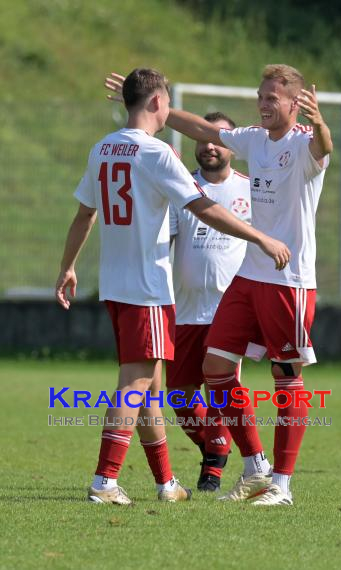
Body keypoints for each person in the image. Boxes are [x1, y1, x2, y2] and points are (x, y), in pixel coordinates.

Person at [56, 68, 290, 506]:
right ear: (157, 102)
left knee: (150, 386)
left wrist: (68, 266)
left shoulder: (102, 148)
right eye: (166, 103)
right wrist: (259, 236)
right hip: (147, 288)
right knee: (135, 384)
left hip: (116, 286)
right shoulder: (157, 153)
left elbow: (84, 214)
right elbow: (201, 205)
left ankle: (167, 484)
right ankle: (105, 480)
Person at [110, 63, 333, 506]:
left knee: (286, 379)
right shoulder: (252, 138)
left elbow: (325, 147)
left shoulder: (305, 144)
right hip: (249, 276)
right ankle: (255, 467)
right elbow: (201, 128)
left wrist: (321, 122)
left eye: (272, 97)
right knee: (215, 368)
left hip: (288, 279)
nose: (263, 104)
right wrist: (154, 107)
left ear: (294, 103)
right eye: (260, 95)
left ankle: (282, 487)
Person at [168, 111, 251, 492]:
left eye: (218, 140)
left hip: (229, 309)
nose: (210, 147)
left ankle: (213, 468)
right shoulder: (180, 186)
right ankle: (212, 445)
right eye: (204, 140)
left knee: (222, 389)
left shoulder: (250, 189)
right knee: (179, 396)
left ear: (232, 145)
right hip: (184, 309)